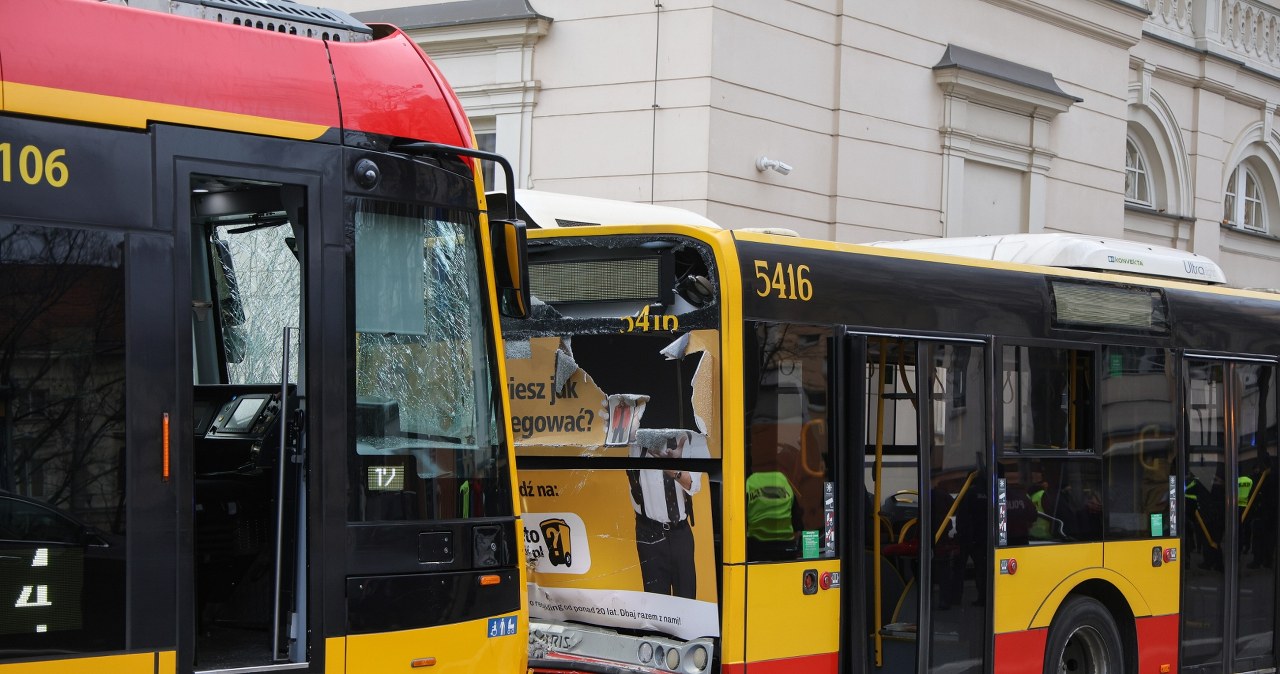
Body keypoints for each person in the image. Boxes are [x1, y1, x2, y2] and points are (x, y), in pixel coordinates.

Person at [627, 430, 705, 597]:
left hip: (680, 534)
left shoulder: (691, 436)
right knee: (655, 602)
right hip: (648, 533)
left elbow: (693, 484)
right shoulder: (637, 436)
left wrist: (672, 468)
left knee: (686, 599)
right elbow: (611, 429)